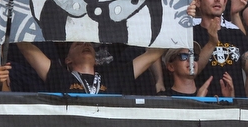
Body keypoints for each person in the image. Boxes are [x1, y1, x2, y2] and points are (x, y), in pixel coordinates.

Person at [193, 0, 248, 97]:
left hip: (235, 107)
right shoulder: (190, 34)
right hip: (202, 106)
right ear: (198, 2)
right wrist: (211, 43)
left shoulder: (236, 33)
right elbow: (192, 71)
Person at [17, 39, 161, 95]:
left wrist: (182, 28)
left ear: (96, 61)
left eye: (89, 45)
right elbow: (28, 50)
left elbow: (152, 56)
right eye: (78, 44)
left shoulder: (114, 78)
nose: (86, 45)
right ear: (68, 59)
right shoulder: (60, 76)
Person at [159, 48, 234, 97]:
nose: (191, 60)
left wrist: (230, 100)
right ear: (171, 66)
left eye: (194, 56)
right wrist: (198, 102)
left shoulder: (210, 96)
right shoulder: (163, 98)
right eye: (184, 56)